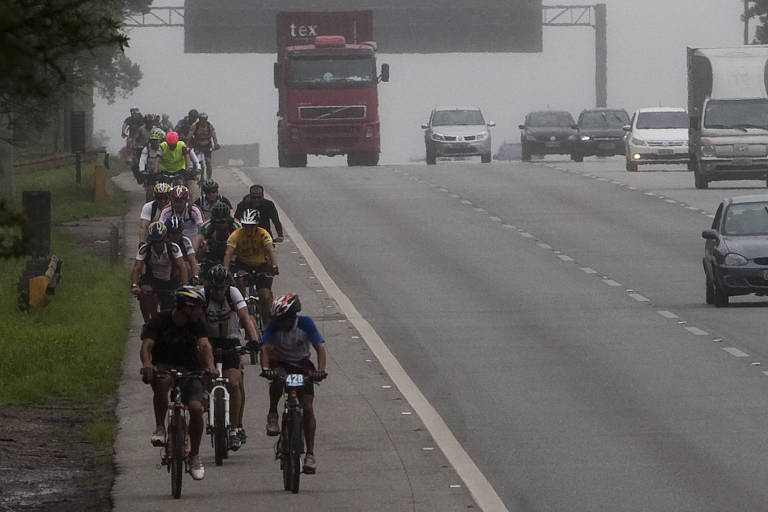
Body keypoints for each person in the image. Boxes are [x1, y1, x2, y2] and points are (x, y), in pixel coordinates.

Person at [139, 286, 216, 481]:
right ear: (185, 307)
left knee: (197, 409)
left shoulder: (197, 323)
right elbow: (146, 346)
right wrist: (148, 365)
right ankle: (160, 428)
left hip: (191, 369)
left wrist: (211, 366)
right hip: (164, 366)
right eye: (197, 307)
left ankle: (195, 456)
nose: (200, 311)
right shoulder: (159, 320)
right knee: (163, 381)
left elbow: (205, 345)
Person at [259, 294, 327, 474]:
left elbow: (319, 347)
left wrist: (320, 370)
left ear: (292, 317)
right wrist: (266, 368)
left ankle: (310, 454)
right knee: (277, 379)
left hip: (302, 366)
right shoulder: (274, 326)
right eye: (278, 320)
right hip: (281, 363)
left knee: (308, 407)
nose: (280, 324)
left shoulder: (305, 323)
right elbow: (265, 348)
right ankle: (273, 413)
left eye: (283, 320)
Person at [202, 264, 259, 450]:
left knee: (234, 383)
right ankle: (204, 395)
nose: (219, 292)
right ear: (209, 287)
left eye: (222, 288)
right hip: (208, 341)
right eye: (215, 288)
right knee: (202, 376)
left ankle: (234, 429)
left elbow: (245, 317)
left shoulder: (233, 293)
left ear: (227, 286)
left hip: (230, 341)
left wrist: (253, 341)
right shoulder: (203, 296)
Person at [222, 209, 278, 324]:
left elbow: (270, 249)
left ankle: (267, 322)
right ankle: (243, 308)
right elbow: (228, 253)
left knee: (264, 295)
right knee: (240, 280)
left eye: (251, 226)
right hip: (243, 265)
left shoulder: (263, 233)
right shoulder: (236, 235)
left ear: (257, 225)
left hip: (261, 265)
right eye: (245, 226)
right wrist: (225, 270)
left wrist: (274, 265)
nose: (248, 229)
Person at [131, 222, 189, 322]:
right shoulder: (145, 249)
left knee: (175, 305)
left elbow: (182, 267)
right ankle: (147, 322)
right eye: (154, 242)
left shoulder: (173, 248)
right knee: (145, 293)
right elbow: (137, 268)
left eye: (160, 241)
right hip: (151, 279)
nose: (157, 244)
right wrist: (135, 285)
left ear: (165, 238)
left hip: (169, 280)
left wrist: (185, 286)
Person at [195, 201, 240, 277]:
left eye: (223, 222)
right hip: (213, 249)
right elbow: (197, 241)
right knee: (203, 245)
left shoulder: (236, 226)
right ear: (213, 220)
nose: (220, 225)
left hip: (231, 249)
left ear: (228, 219)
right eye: (217, 222)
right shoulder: (207, 225)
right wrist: (194, 256)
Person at [165, 215, 200, 285]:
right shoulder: (162, 242)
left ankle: (185, 284)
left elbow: (192, 259)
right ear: (167, 232)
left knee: (187, 265)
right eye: (172, 233)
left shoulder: (185, 241)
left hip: (180, 268)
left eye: (178, 233)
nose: (175, 236)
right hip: (165, 267)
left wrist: (195, 277)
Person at [188, 112, 221, 179]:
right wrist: (187, 144)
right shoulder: (195, 126)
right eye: (201, 119)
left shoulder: (209, 126)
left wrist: (216, 144)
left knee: (208, 162)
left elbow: (214, 135)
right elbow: (189, 135)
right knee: (194, 159)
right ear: (199, 119)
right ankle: (193, 174)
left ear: (206, 119)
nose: (203, 121)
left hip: (207, 145)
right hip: (197, 144)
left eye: (204, 119)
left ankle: (209, 178)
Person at [138, 127, 165, 193]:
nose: (154, 142)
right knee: (149, 191)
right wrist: (142, 170)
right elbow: (142, 159)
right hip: (151, 173)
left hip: (163, 173)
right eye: (153, 140)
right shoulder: (147, 149)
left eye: (156, 140)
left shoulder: (164, 148)